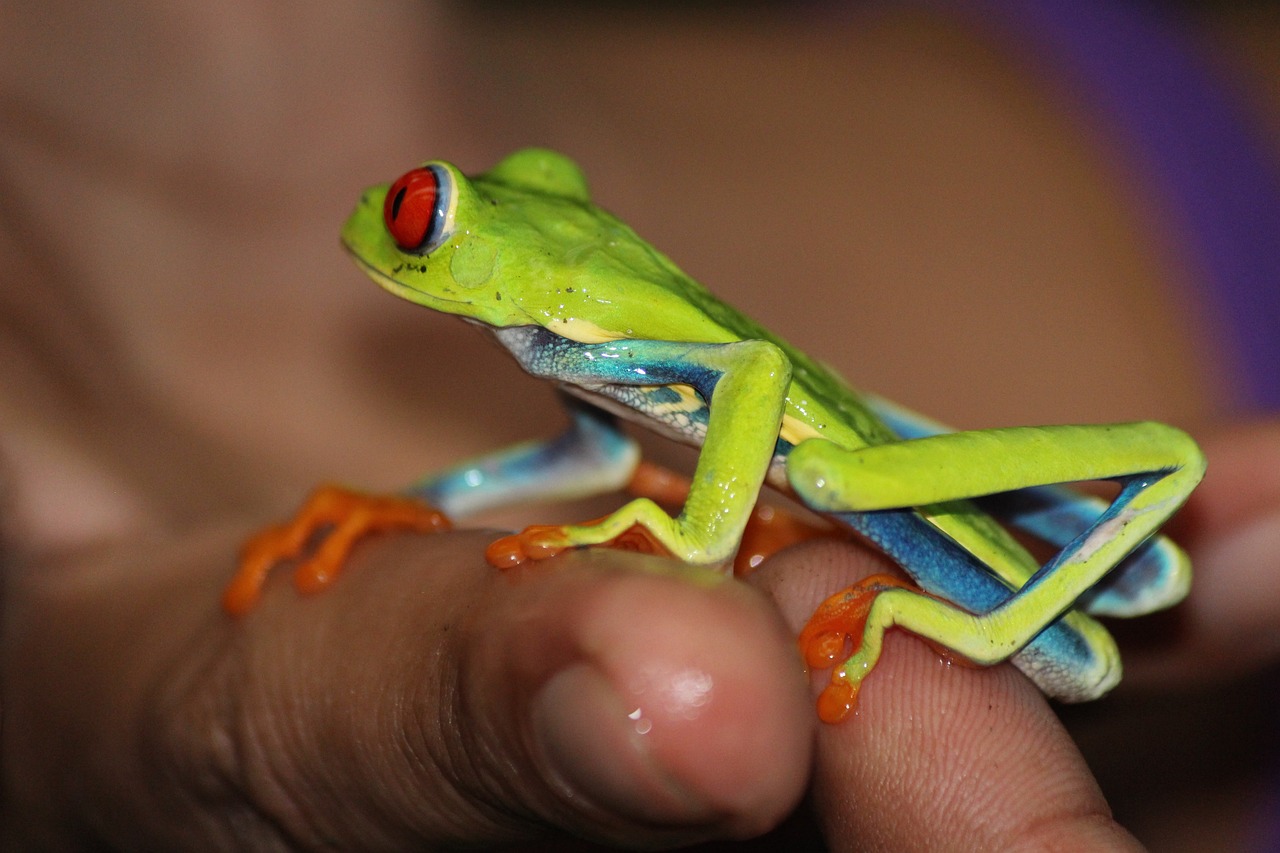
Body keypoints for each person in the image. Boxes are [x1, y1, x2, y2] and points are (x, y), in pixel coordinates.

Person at [3, 2, 1277, 848]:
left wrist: (698, 539)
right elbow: (594, 457)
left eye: (411, 213)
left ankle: (994, 599)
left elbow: (749, 379)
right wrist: (422, 502)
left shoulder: (594, 328)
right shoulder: (565, 343)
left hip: (929, 526)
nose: (392, 222)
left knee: (919, 458)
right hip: (1136, 182)